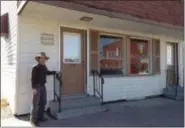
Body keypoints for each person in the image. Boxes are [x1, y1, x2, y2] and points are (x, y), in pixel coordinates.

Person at [30, 52, 56, 127]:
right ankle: (33, 120)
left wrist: (54, 72)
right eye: (41, 58)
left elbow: (47, 72)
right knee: (35, 104)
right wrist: (34, 88)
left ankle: (40, 117)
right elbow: (32, 79)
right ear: (39, 59)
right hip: (37, 87)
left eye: (44, 58)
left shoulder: (44, 67)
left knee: (43, 102)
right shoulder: (35, 67)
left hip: (43, 86)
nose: (43, 59)